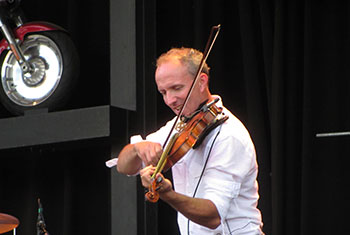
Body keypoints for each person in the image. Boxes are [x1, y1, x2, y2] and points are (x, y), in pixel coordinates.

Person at [116, 47, 264, 234]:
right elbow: (124, 166)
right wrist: (138, 148)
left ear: (202, 82)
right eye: (163, 92)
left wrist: (168, 194)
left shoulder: (229, 136)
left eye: (177, 88)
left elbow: (213, 216)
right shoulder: (180, 125)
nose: (170, 100)